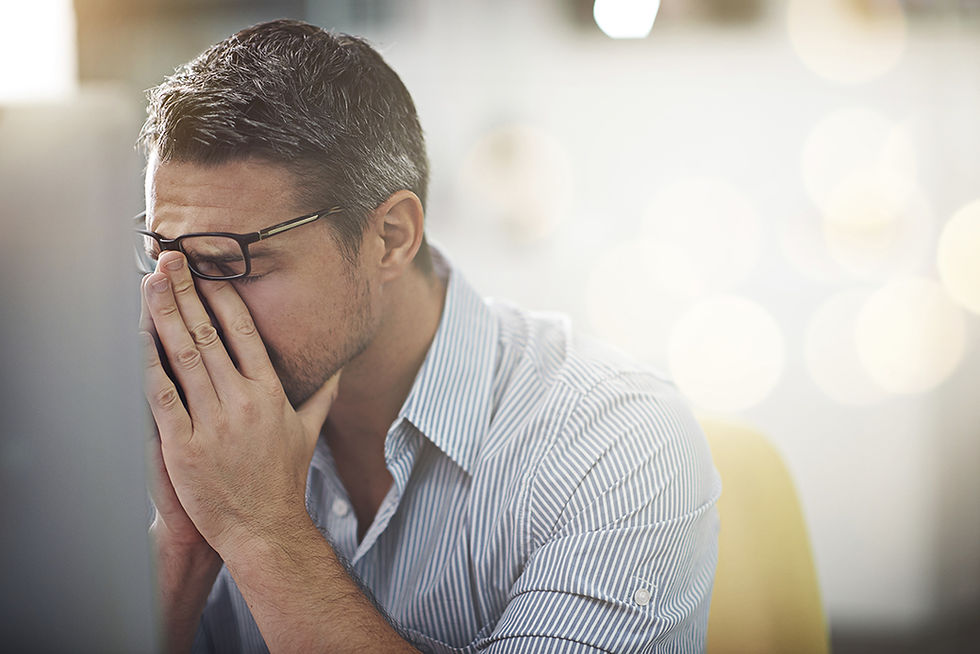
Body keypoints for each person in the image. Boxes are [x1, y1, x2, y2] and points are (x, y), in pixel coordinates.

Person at [137, 19, 720, 654]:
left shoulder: (618, 444)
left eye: (230, 264)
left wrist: (262, 530)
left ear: (390, 237)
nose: (187, 309)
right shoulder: (201, 446)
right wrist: (188, 545)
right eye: (162, 256)